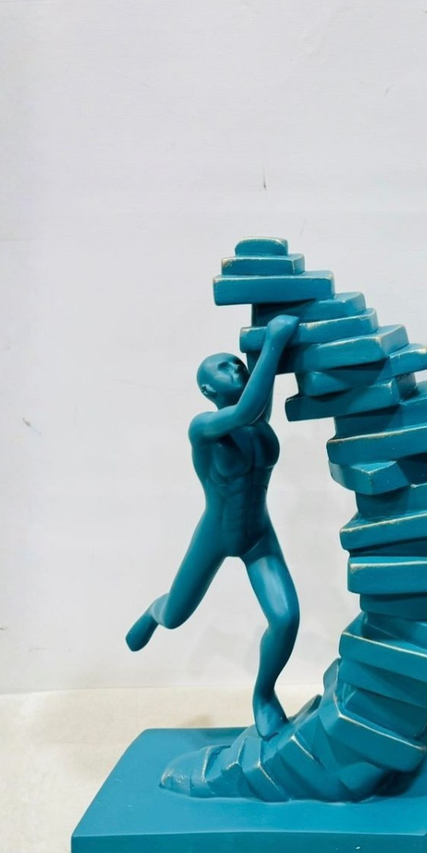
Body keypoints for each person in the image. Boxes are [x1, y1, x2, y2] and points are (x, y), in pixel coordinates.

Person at [125, 313, 302, 738]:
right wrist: (274, 341)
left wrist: (266, 339)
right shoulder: (204, 427)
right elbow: (245, 409)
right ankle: (154, 611)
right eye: (224, 367)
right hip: (217, 534)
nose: (235, 367)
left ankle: (264, 695)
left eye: (237, 363)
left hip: (258, 536)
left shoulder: (258, 422)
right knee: (176, 615)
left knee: (286, 618)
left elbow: (256, 402)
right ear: (208, 390)